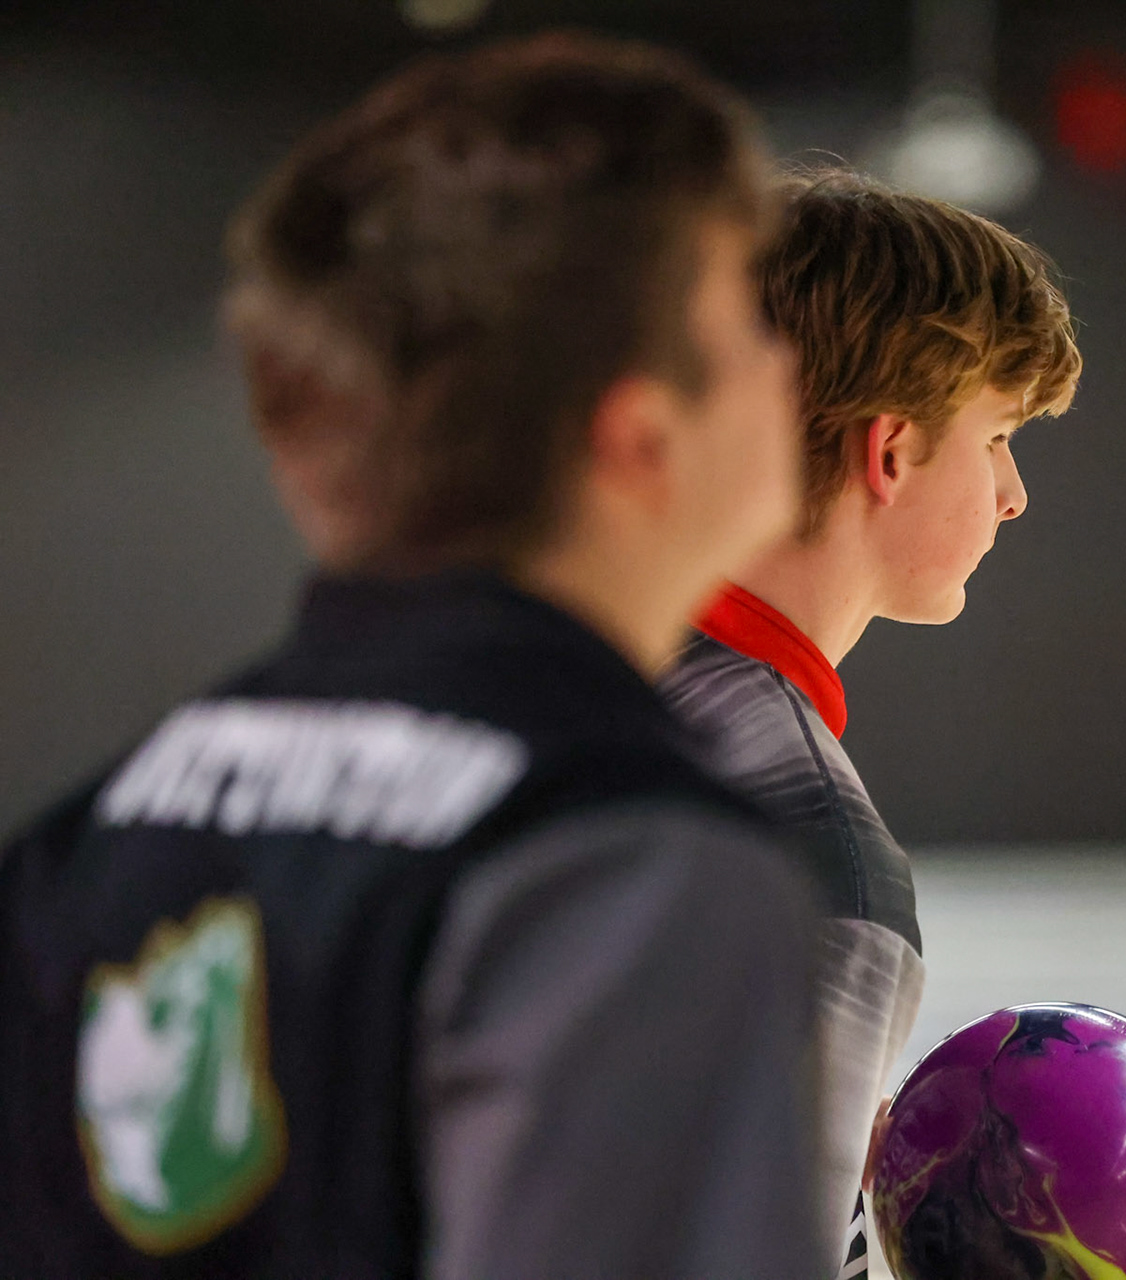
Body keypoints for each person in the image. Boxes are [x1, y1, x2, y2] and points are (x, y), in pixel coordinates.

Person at [0, 33, 831, 1279]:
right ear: (641, 436)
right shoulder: (632, 863)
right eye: (753, 319)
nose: (788, 367)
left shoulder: (92, 834)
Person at [658, 169, 1082, 1277]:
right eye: (998, 436)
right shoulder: (813, 850)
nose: (1013, 494)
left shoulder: (517, 680)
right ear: (889, 451)